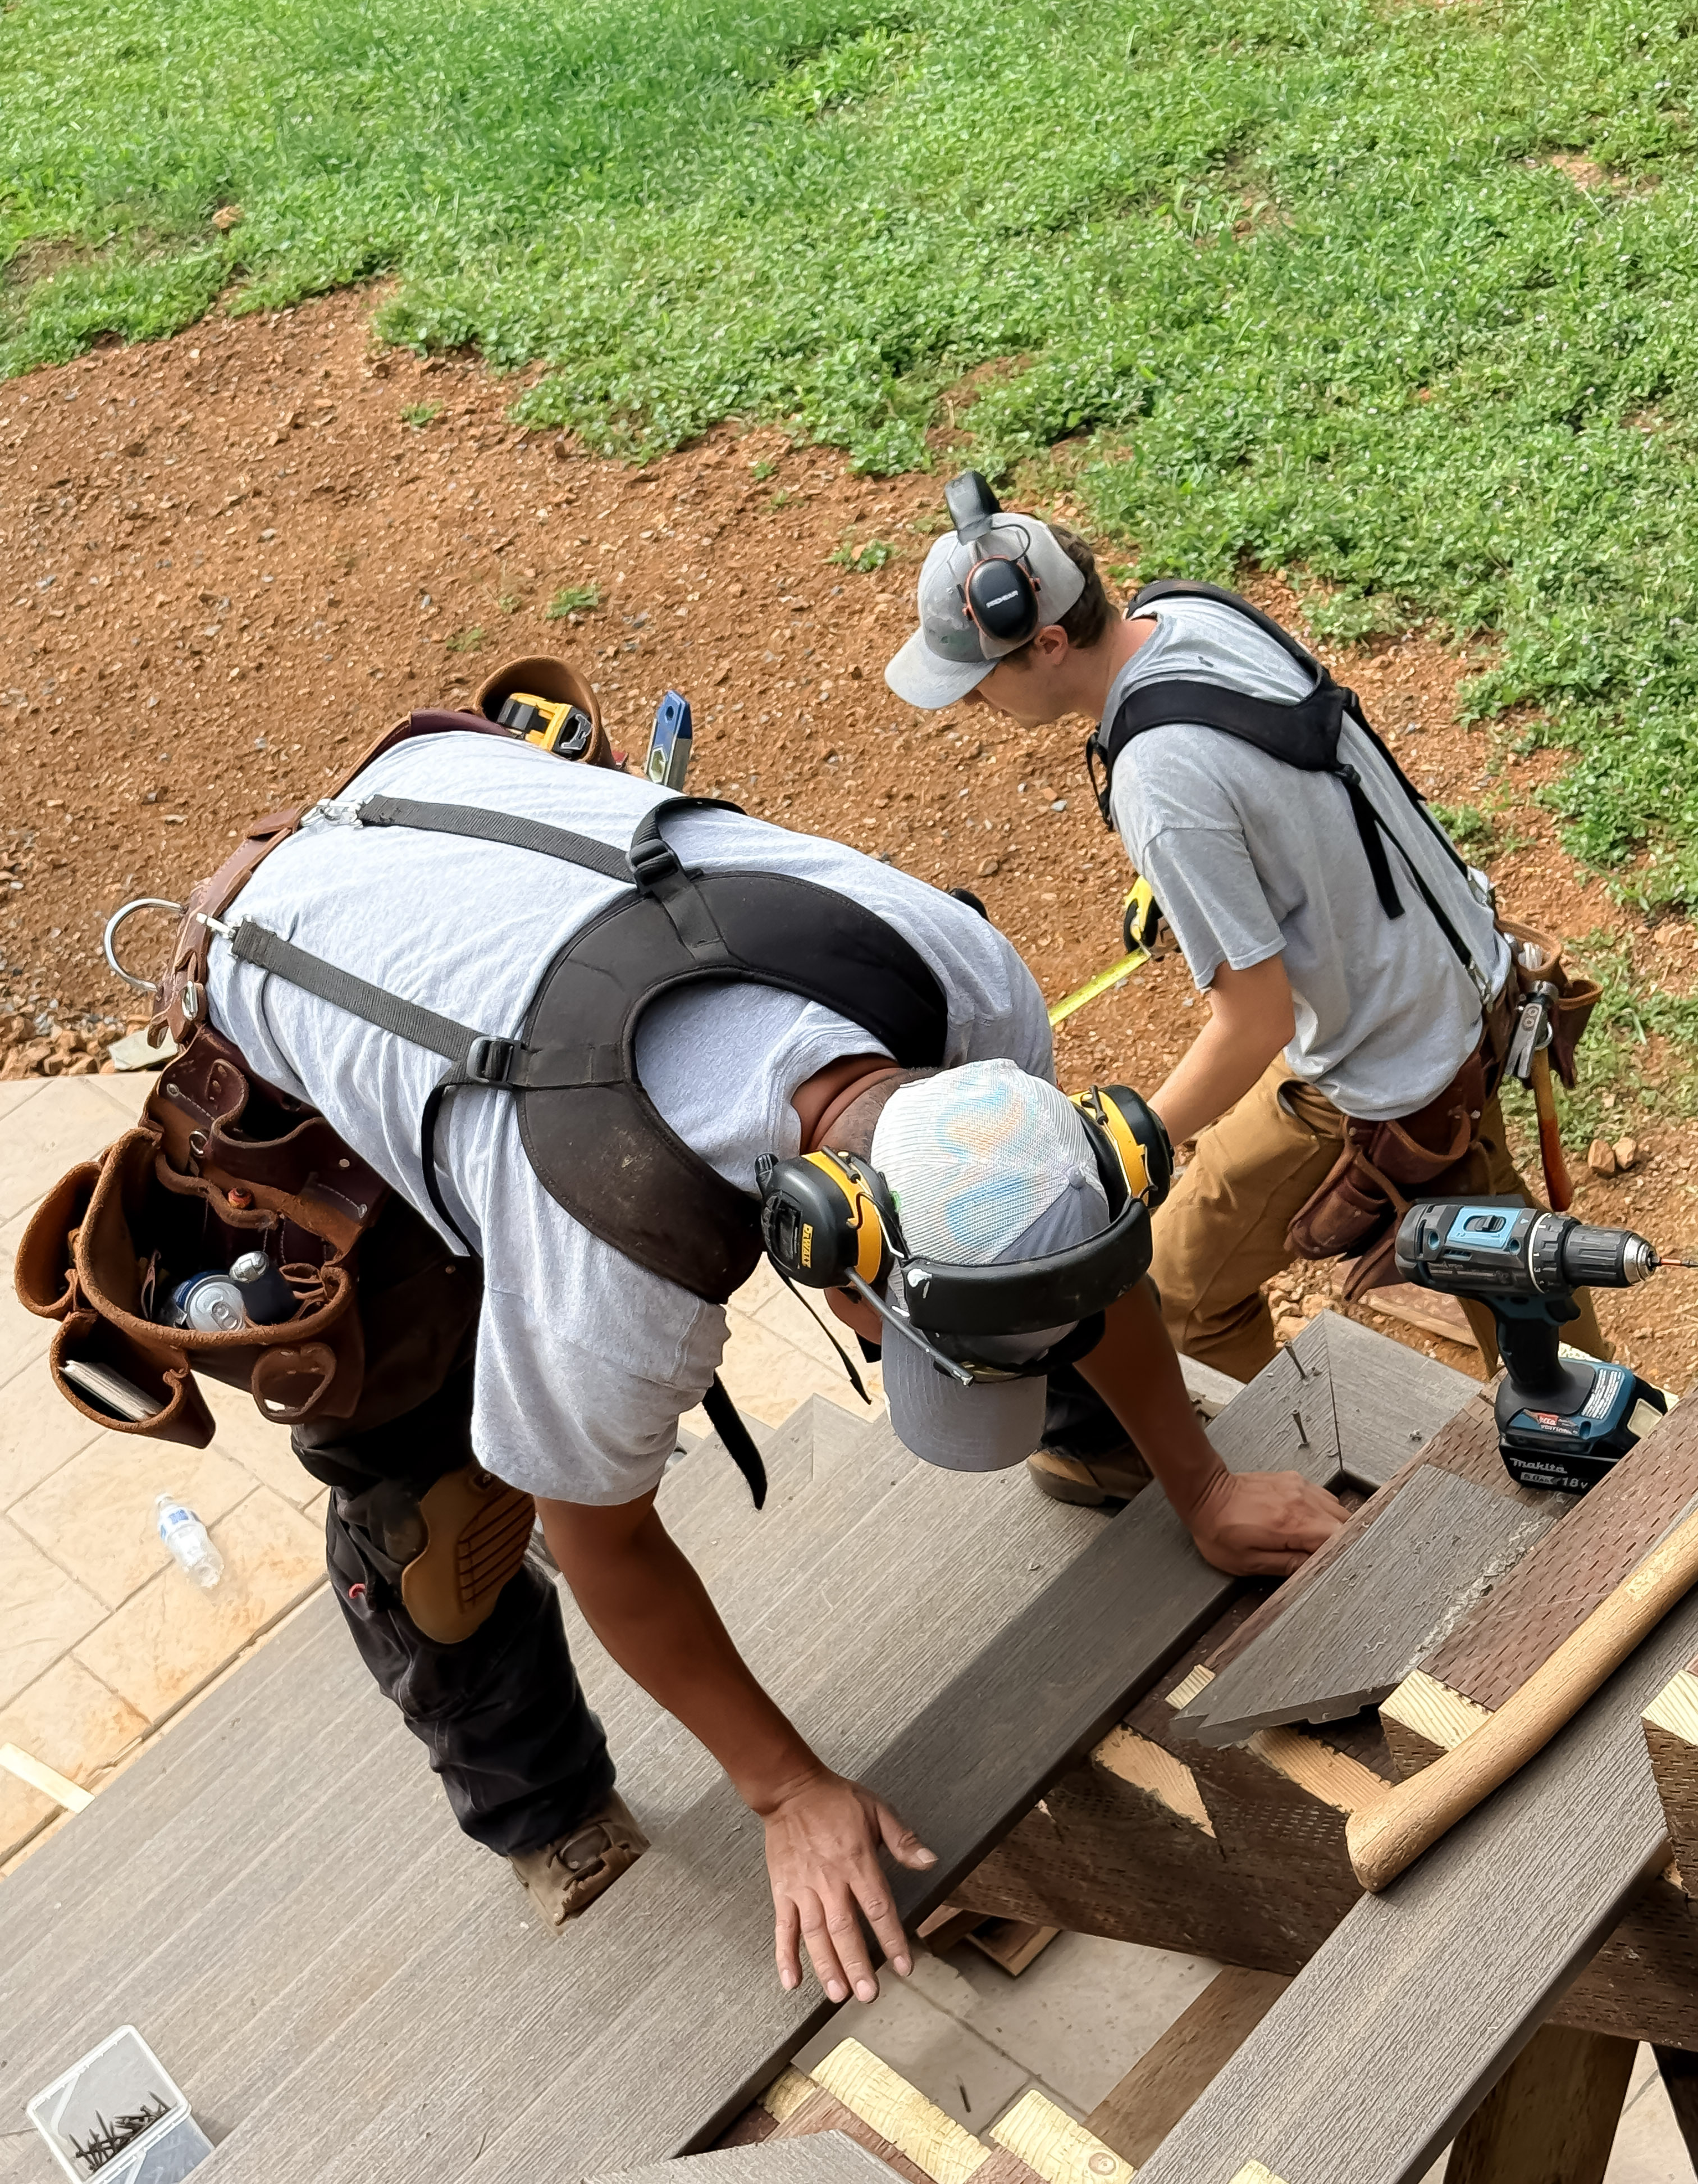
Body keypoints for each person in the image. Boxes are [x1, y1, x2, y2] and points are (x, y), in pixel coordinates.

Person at [190, 720, 1345, 2001]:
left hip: (485, 854)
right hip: (290, 953)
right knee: (435, 1512)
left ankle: (1099, 1447)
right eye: (907, 1350)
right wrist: (786, 1789)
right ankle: (538, 1804)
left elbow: (1057, 1220)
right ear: (829, 1256)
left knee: (1020, 1245)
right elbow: (601, 1541)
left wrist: (1201, 1483)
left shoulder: (964, 986)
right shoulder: (606, 1268)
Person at [884, 480, 1605, 1503]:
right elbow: (1286, 784)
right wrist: (1193, 884)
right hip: (1466, 984)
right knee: (1514, 1274)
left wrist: (1118, 1150)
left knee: (1175, 1298)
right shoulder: (1190, 612)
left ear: (1044, 644)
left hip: (1385, 1075)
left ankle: (1310, 1487)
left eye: (977, 680)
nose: (971, 703)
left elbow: (1255, 1021)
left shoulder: (1158, 780)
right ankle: (1625, 1451)